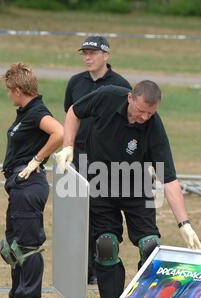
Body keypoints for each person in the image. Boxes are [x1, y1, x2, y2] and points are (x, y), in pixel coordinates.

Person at [55, 80, 201, 298]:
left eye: (150, 113)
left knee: (150, 246)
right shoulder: (106, 97)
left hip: (137, 187)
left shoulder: (153, 126)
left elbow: (169, 178)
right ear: (130, 98)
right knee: (106, 245)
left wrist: (184, 224)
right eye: (141, 110)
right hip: (99, 184)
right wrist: (68, 146)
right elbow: (74, 111)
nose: (144, 117)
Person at [0, 63, 63, 298]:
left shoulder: (37, 112)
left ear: (18, 89)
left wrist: (37, 159)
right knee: (13, 246)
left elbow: (59, 133)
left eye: (9, 90)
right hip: (18, 185)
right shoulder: (25, 112)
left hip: (29, 185)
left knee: (27, 246)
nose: (8, 95)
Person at [64, 35, 132, 285]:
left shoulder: (121, 85)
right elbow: (69, 115)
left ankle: (96, 266)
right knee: (76, 212)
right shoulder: (75, 83)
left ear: (106, 55)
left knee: (99, 212)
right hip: (78, 154)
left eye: (93, 53)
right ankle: (78, 266)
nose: (88, 57)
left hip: (105, 159)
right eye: (84, 53)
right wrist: (66, 148)